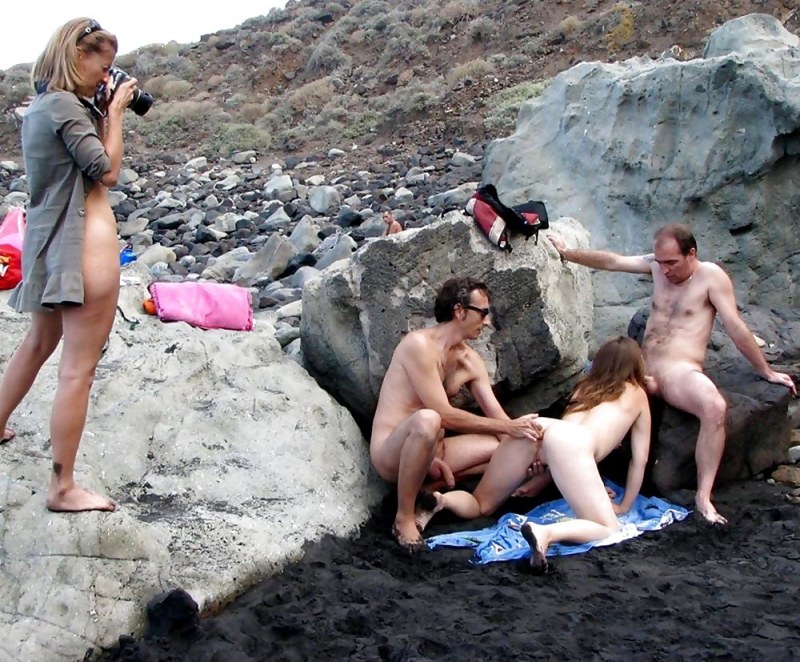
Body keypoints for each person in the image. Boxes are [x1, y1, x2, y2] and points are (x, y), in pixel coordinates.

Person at [547, 223, 796, 525]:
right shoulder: (656, 265)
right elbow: (612, 261)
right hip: (640, 369)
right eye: (659, 261)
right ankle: (573, 479)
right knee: (586, 400)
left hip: (679, 370)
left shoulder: (711, 277)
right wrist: (566, 253)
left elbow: (735, 326)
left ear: (692, 253)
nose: (663, 270)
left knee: (715, 407)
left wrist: (765, 370)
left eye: (671, 263)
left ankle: (703, 497)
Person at [0, 18, 139, 512]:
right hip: (85, 246)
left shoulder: (43, 106)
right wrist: (116, 114)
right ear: (76, 54)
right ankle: (62, 488)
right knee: (77, 370)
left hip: (51, 241)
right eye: (101, 69)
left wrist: (99, 107)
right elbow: (107, 170)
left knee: (39, 340)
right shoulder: (64, 106)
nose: (106, 79)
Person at [417, 336, 651, 574]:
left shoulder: (584, 387)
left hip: (537, 427)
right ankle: (545, 532)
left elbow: (558, 442)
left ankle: (441, 500)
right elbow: (639, 458)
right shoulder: (638, 393)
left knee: (481, 504)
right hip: (569, 442)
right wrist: (624, 505)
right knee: (607, 528)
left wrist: (541, 477)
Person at [371, 277, 543, 550]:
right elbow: (443, 414)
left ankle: (432, 489)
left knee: (512, 446)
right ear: (459, 311)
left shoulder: (469, 360)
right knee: (429, 419)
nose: (487, 322)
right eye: (483, 313)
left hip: (436, 453)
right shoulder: (418, 345)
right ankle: (403, 517)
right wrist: (510, 429)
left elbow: (500, 421)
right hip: (393, 452)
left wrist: (528, 444)